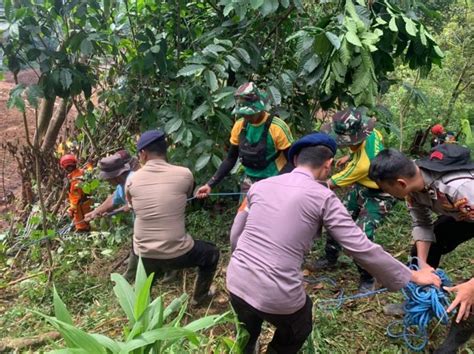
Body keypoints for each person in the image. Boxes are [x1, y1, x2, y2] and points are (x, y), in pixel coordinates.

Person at [227, 132, 441, 354]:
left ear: (295, 160)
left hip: (236, 280)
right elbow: (359, 246)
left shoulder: (259, 186)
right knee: (297, 328)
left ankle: (248, 347)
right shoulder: (323, 197)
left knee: (247, 329)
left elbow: (235, 234)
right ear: (328, 164)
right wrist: (411, 275)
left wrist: (243, 265)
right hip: (278, 295)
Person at [369, 145, 474, 351]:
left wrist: (472, 285)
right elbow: (422, 225)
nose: (386, 194)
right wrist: (423, 265)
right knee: (420, 253)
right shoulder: (413, 188)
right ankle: (422, 302)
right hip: (463, 215)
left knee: (470, 297)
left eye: (385, 189)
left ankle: (449, 347)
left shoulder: (458, 188)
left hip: (468, 207)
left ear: (399, 183)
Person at [126, 130, 220, 306]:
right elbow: (187, 200)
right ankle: (200, 297)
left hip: (144, 253)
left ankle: (142, 308)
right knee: (211, 253)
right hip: (177, 252)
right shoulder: (185, 174)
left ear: (143, 154)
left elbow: (132, 205)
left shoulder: (132, 181)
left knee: (146, 278)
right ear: (165, 150)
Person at [311, 108, 397, 292]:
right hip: (362, 186)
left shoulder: (362, 165)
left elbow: (329, 184)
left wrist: (302, 184)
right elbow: (360, 146)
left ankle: (368, 278)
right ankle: (330, 257)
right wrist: (349, 155)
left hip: (381, 194)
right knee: (337, 217)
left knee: (363, 233)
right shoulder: (373, 132)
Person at [196, 82, 294, 198]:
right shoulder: (240, 126)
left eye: (250, 114)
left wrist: (277, 184)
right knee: (243, 215)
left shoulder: (277, 128)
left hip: (274, 180)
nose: (246, 117)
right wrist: (210, 184)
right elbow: (230, 159)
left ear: (259, 108)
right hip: (249, 183)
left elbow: (293, 161)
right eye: (243, 114)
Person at [85, 151, 138, 280]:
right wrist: (96, 212)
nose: (108, 181)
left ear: (116, 176)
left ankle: (131, 274)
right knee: (136, 242)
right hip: (141, 224)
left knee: (140, 243)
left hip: (154, 222)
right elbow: (114, 198)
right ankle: (134, 267)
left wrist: (133, 204)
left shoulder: (134, 179)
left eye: (108, 179)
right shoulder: (122, 184)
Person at [59, 154, 92, 232]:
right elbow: (90, 171)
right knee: (89, 220)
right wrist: (90, 164)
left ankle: (84, 233)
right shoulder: (82, 172)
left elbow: (75, 199)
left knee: (82, 225)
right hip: (88, 202)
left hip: (81, 207)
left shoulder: (75, 181)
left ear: (66, 167)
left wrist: (71, 211)